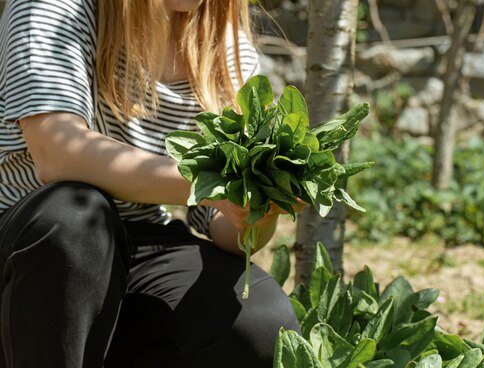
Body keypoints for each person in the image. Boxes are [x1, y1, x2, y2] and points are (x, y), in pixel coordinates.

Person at [0, 0, 300, 367]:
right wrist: (218, 183)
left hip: (137, 239)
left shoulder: (226, 48)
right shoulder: (54, 8)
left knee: (257, 324)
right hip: (32, 241)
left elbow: (224, 228)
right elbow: (58, 155)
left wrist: (254, 208)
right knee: (74, 219)